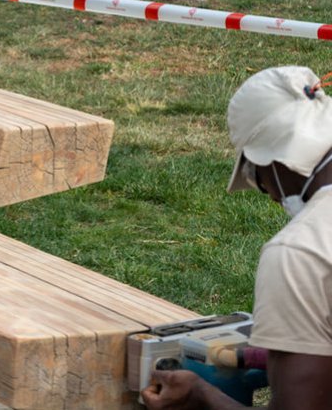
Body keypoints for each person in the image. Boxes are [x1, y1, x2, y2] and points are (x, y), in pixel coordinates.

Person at [142, 65, 332, 410]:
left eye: (257, 180)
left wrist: (201, 396)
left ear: (270, 161)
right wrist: (273, 353)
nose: (272, 197)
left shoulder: (299, 252)